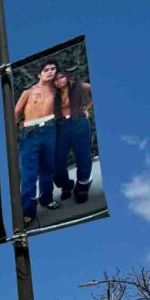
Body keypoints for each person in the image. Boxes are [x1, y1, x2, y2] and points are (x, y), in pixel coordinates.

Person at [14, 60, 63, 227]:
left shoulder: (58, 91)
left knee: (48, 169)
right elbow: (15, 113)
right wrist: (13, 133)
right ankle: (28, 211)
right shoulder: (28, 92)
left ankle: (46, 199)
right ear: (39, 74)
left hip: (50, 129)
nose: (50, 71)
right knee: (29, 175)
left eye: (53, 69)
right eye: (46, 69)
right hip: (31, 132)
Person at [52, 69, 94, 203]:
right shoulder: (53, 94)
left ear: (66, 77)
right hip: (61, 126)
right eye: (56, 80)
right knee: (57, 160)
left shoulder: (78, 86)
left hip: (79, 122)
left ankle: (82, 186)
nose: (59, 81)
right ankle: (65, 185)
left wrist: (86, 109)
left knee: (83, 156)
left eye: (61, 77)